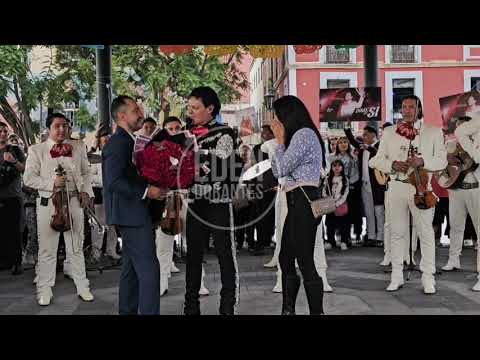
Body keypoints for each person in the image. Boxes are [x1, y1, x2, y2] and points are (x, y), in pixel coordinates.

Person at [370, 95, 447, 294]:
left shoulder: (433, 131)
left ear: (419, 108)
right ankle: (396, 276)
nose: (407, 110)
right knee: (396, 232)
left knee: (426, 234)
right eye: (403, 107)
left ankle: (428, 278)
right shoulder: (389, 132)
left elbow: (442, 162)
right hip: (396, 186)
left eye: (411, 106)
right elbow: (375, 161)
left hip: (421, 189)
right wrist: (391, 165)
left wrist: (423, 162)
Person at [103, 96, 166, 315]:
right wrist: (148, 191)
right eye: (135, 110)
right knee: (150, 270)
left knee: (131, 270)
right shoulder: (118, 142)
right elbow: (113, 182)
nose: (140, 112)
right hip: (131, 215)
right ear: (121, 116)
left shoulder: (129, 141)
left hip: (133, 213)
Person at [23, 113, 95, 306]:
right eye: (57, 126)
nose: (62, 129)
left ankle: (83, 287)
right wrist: (51, 183)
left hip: (73, 201)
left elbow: (86, 172)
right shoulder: (36, 150)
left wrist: (86, 192)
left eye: (65, 125)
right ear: (49, 129)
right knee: (47, 249)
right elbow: (28, 178)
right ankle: (45, 290)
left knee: (76, 247)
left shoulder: (78, 146)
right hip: (49, 203)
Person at [183, 86, 241, 315]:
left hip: (218, 202)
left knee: (225, 254)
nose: (191, 112)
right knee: (193, 255)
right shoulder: (185, 133)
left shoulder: (224, 132)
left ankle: (227, 306)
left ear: (210, 109)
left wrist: (195, 164)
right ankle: (190, 306)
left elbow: (221, 166)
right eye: (189, 107)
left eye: (195, 108)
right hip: (195, 202)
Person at [270, 95, 326, 315]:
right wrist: (281, 143)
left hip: (304, 201)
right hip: (296, 201)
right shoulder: (299, 136)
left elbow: (281, 168)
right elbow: (277, 171)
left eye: (277, 117)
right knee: (286, 258)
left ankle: (316, 311)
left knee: (304, 260)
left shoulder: (303, 135)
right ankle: (288, 309)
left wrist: (280, 141)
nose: (274, 122)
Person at [443, 111, 480, 291]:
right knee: (455, 226)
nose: (458, 129)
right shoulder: (450, 145)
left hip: (475, 189)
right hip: (456, 190)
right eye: (458, 126)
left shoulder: (476, 144)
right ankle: (453, 259)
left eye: (462, 126)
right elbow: (442, 167)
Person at [344, 125, 386, 247]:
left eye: (366, 135)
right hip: (364, 184)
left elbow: (380, 156)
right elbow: (352, 141)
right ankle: (371, 236)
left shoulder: (380, 146)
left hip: (377, 185)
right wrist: (347, 127)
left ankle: (380, 237)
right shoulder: (362, 146)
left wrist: (369, 148)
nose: (363, 137)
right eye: (363, 135)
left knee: (379, 211)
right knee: (368, 212)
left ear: (373, 135)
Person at [89, 133, 121, 263]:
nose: (107, 143)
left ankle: (111, 249)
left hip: (113, 193)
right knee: (98, 223)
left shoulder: (117, 157)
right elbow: (92, 178)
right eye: (104, 141)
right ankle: (96, 251)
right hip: (99, 193)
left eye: (109, 141)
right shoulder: (95, 158)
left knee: (113, 223)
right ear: (100, 143)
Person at [0, 123, 26, 275]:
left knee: (15, 230)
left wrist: (13, 161)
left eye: (5, 131)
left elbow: (25, 169)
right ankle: (4, 261)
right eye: (0, 131)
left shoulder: (15, 150)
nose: (3, 134)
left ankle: (17, 262)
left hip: (13, 196)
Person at [327, 136, 361, 247]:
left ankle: (346, 239)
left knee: (346, 215)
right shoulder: (331, 157)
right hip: (333, 191)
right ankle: (331, 240)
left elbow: (356, 173)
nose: (343, 144)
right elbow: (328, 174)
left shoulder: (354, 157)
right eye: (340, 142)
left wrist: (348, 184)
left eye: (345, 142)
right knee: (331, 216)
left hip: (349, 190)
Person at [249, 125, 277, 255]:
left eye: (266, 133)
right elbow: (253, 169)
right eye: (262, 133)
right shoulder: (256, 149)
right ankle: (260, 242)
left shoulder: (278, 146)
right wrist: (253, 188)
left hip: (277, 187)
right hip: (261, 187)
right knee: (261, 216)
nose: (263, 135)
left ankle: (269, 240)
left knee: (274, 216)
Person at [324, 160, 350, 250]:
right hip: (329, 205)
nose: (337, 168)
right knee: (329, 224)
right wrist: (329, 202)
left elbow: (345, 194)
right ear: (331, 168)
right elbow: (324, 191)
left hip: (341, 205)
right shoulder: (328, 178)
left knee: (343, 225)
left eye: (339, 166)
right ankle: (331, 241)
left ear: (342, 168)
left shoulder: (345, 179)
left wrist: (337, 203)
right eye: (334, 166)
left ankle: (344, 241)